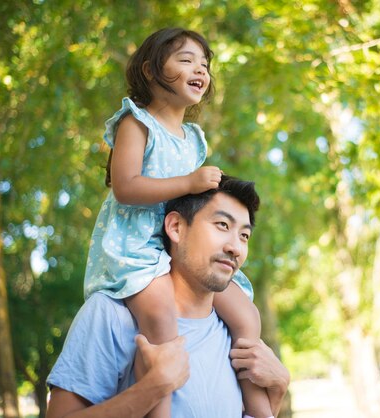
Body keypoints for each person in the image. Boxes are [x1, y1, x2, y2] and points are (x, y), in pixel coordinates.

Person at [83, 28, 270, 417]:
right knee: (162, 318)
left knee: (247, 315)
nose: (199, 69)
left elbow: (193, 207)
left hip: (179, 248)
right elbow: (125, 186)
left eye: (204, 64)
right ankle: (160, 410)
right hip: (136, 247)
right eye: (186, 60)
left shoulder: (193, 138)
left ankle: (260, 410)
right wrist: (188, 181)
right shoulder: (136, 123)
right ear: (151, 71)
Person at [46, 176, 290, 418]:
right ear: (176, 227)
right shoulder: (110, 315)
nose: (235, 247)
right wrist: (151, 389)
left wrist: (277, 390)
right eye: (222, 225)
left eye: (244, 236)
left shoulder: (237, 336)